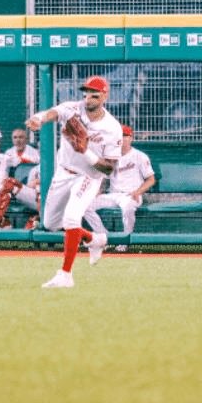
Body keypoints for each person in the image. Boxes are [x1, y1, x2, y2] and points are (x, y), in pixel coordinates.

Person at [25, 75, 122, 288]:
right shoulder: (73, 109)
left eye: (94, 95)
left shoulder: (112, 127)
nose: (88, 98)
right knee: (50, 224)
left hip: (88, 177)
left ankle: (65, 274)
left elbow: (109, 167)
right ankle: (94, 239)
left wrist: (85, 151)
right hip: (63, 173)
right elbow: (54, 112)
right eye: (86, 93)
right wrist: (39, 119)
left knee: (71, 217)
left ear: (105, 96)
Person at [84, 125, 155, 251]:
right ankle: (104, 237)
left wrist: (138, 192)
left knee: (128, 207)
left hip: (131, 195)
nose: (121, 139)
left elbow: (151, 180)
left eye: (125, 136)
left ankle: (124, 241)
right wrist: (97, 192)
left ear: (131, 138)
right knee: (84, 206)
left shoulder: (139, 156)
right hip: (113, 195)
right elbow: (103, 179)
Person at [0, 163, 41, 230]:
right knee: (8, 183)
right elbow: (30, 187)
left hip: (49, 200)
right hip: (37, 198)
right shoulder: (35, 169)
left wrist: (40, 181)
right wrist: (34, 183)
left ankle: (38, 221)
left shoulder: (53, 166)